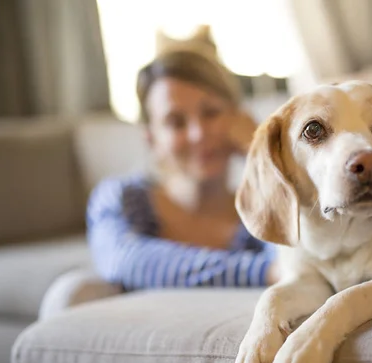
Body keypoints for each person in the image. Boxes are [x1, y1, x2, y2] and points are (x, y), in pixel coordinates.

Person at [86, 29, 278, 290]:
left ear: (238, 117)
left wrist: (260, 152)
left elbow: (301, 256)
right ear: (151, 139)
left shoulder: (260, 208)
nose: (198, 135)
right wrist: (264, 273)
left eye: (211, 113)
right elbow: (125, 261)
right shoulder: (121, 198)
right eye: (175, 122)